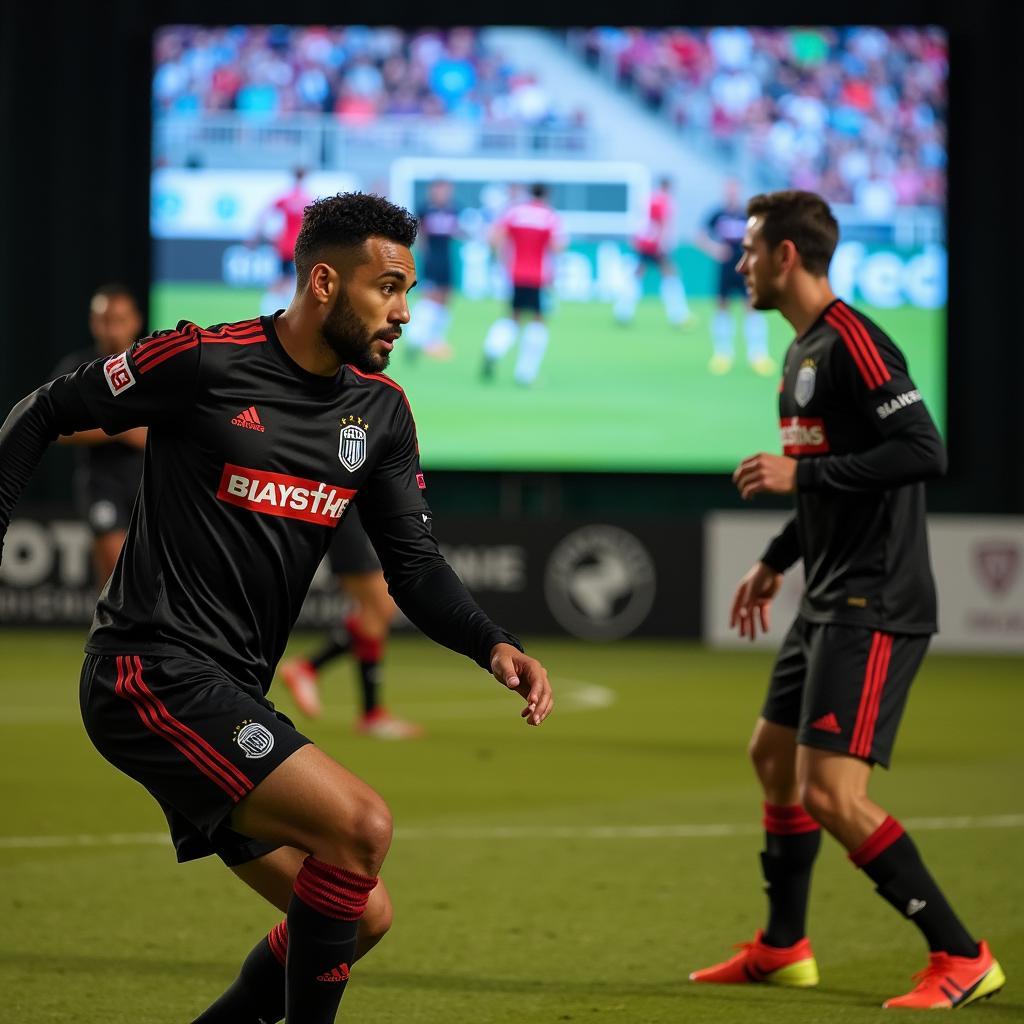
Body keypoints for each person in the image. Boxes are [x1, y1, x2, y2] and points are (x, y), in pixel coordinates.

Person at [0, 192, 553, 1024]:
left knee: (360, 913)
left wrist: (492, 644)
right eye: (389, 287)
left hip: (231, 692)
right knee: (361, 826)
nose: (405, 312)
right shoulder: (202, 361)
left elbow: (412, 565)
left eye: (409, 291)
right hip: (144, 672)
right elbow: (42, 411)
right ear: (325, 283)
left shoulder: (382, 412)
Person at [689, 190, 1004, 1009]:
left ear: (787, 255)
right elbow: (831, 487)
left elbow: (923, 450)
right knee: (771, 757)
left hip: (876, 600)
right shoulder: (803, 351)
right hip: (826, 596)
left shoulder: (857, 341)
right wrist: (775, 559)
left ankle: (962, 954)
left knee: (834, 794)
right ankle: (785, 946)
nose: (741, 263)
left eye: (751, 249)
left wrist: (803, 475)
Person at [279, 507, 423, 739]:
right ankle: (370, 714)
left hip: (356, 515)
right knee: (378, 607)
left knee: (376, 611)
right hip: (344, 513)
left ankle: (309, 669)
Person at [51, 284, 146, 586]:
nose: (111, 328)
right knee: (115, 577)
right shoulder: (78, 370)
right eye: (104, 320)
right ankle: (112, 632)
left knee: (149, 578)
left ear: (135, 321)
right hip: (102, 482)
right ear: (94, 323)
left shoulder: (153, 365)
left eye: (119, 319)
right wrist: (117, 429)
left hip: (151, 482)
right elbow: (53, 428)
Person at [480, 182, 564, 386]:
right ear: (547, 194)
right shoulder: (548, 216)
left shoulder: (515, 212)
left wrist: (502, 259)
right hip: (538, 276)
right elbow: (557, 247)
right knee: (538, 320)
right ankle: (525, 373)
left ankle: (493, 348)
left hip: (515, 273)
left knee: (513, 316)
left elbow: (493, 237)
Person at [695, 177, 775, 376]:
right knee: (722, 306)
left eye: (734, 189)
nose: (731, 192)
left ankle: (758, 355)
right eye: (728, 189)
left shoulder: (747, 215)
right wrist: (714, 249)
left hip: (746, 268)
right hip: (725, 268)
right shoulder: (717, 214)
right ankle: (723, 354)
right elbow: (700, 236)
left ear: (739, 191)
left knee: (752, 307)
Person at [612, 176, 694, 328]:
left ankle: (622, 311)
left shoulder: (650, 198)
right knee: (670, 274)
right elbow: (661, 223)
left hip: (644, 242)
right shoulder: (663, 200)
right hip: (654, 244)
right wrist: (663, 244)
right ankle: (678, 315)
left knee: (638, 275)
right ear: (667, 186)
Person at [406, 178, 459, 361]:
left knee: (446, 297)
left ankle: (435, 340)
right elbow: (420, 236)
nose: (443, 193)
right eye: (440, 189)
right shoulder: (425, 209)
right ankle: (415, 337)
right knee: (430, 298)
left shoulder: (454, 209)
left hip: (447, 258)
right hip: (431, 259)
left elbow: (457, 232)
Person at [257, 167, 313, 316]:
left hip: (284, 245)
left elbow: (264, 213)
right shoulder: (307, 200)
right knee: (291, 279)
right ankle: (273, 308)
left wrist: (266, 233)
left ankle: (271, 306)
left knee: (285, 277)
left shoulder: (286, 198)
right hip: (299, 246)